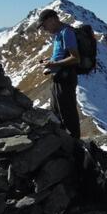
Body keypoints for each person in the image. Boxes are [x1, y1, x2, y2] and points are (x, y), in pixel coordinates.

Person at [37, 8, 81, 138]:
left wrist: (53, 64)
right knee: (56, 111)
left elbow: (75, 58)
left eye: (44, 25)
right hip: (59, 77)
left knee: (67, 112)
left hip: (66, 78)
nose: (44, 29)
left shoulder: (66, 32)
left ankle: (74, 143)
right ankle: (63, 141)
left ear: (52, 20)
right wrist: (50, 61)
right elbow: (61, 55)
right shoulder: (58, 34)